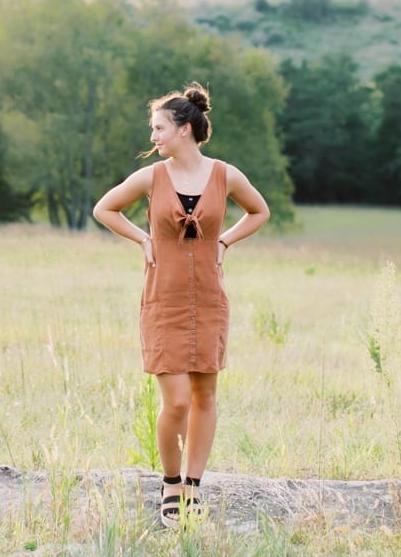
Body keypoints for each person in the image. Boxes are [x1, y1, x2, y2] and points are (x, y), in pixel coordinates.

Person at [92, 83, 271, 528]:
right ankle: (169, 482)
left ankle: (192, 486)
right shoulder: (151, 177)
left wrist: (225, 240)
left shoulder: (224, 174)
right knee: (175, 401)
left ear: (184, 129)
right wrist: (143, 238)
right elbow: (105, 209)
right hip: (164, 296)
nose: (152, 137)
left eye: (158, 128)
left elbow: (259, 211)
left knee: (205, 394)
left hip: (208, 296)